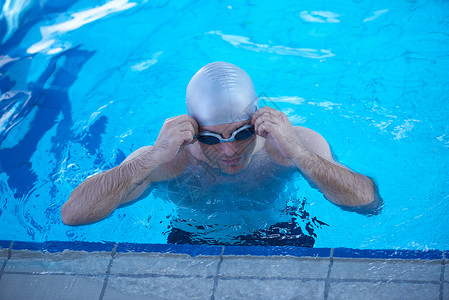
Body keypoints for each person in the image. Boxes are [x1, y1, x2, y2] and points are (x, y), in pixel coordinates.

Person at [61, 62, 380, 226]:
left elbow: (368, 202)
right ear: (191, 130)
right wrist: (153, 156)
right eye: (210, 138)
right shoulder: (167, 160)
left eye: (242, 134)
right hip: (192, 245)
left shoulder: (288, 147)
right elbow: (73, 214)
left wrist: (298, 152)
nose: (229, 150)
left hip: (280, 234)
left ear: (258, 121)